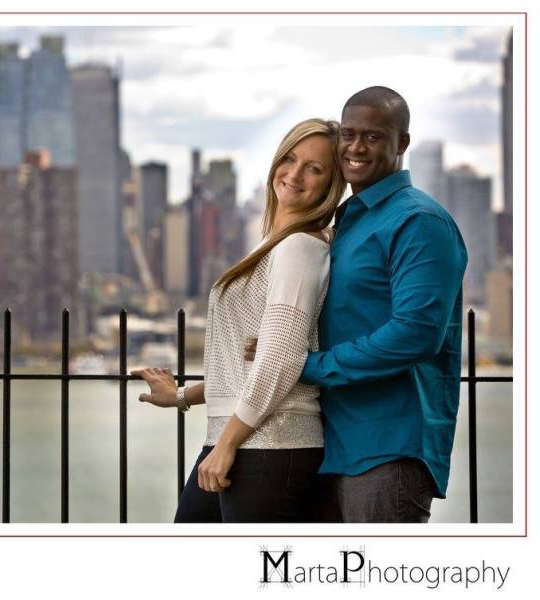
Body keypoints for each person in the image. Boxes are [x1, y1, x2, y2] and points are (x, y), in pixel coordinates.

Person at [247, 87, 468, 523]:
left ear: (401, 143)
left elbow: (415, 335)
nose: (355, 147)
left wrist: (306, 366)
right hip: (328, 446)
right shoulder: (348, 221)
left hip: (387, 449)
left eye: (372, 136)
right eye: (348, 135)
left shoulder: (419, 221)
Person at [132, 118, 345, 522]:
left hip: (272, 444)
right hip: (242, 439)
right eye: (290, 159)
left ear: (331, 185)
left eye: (314, 169)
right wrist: (180, 396)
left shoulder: (300, 247)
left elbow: (280, 361)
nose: (295, 174)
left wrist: (228, 442)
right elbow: (245, 369)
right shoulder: (273, 245)